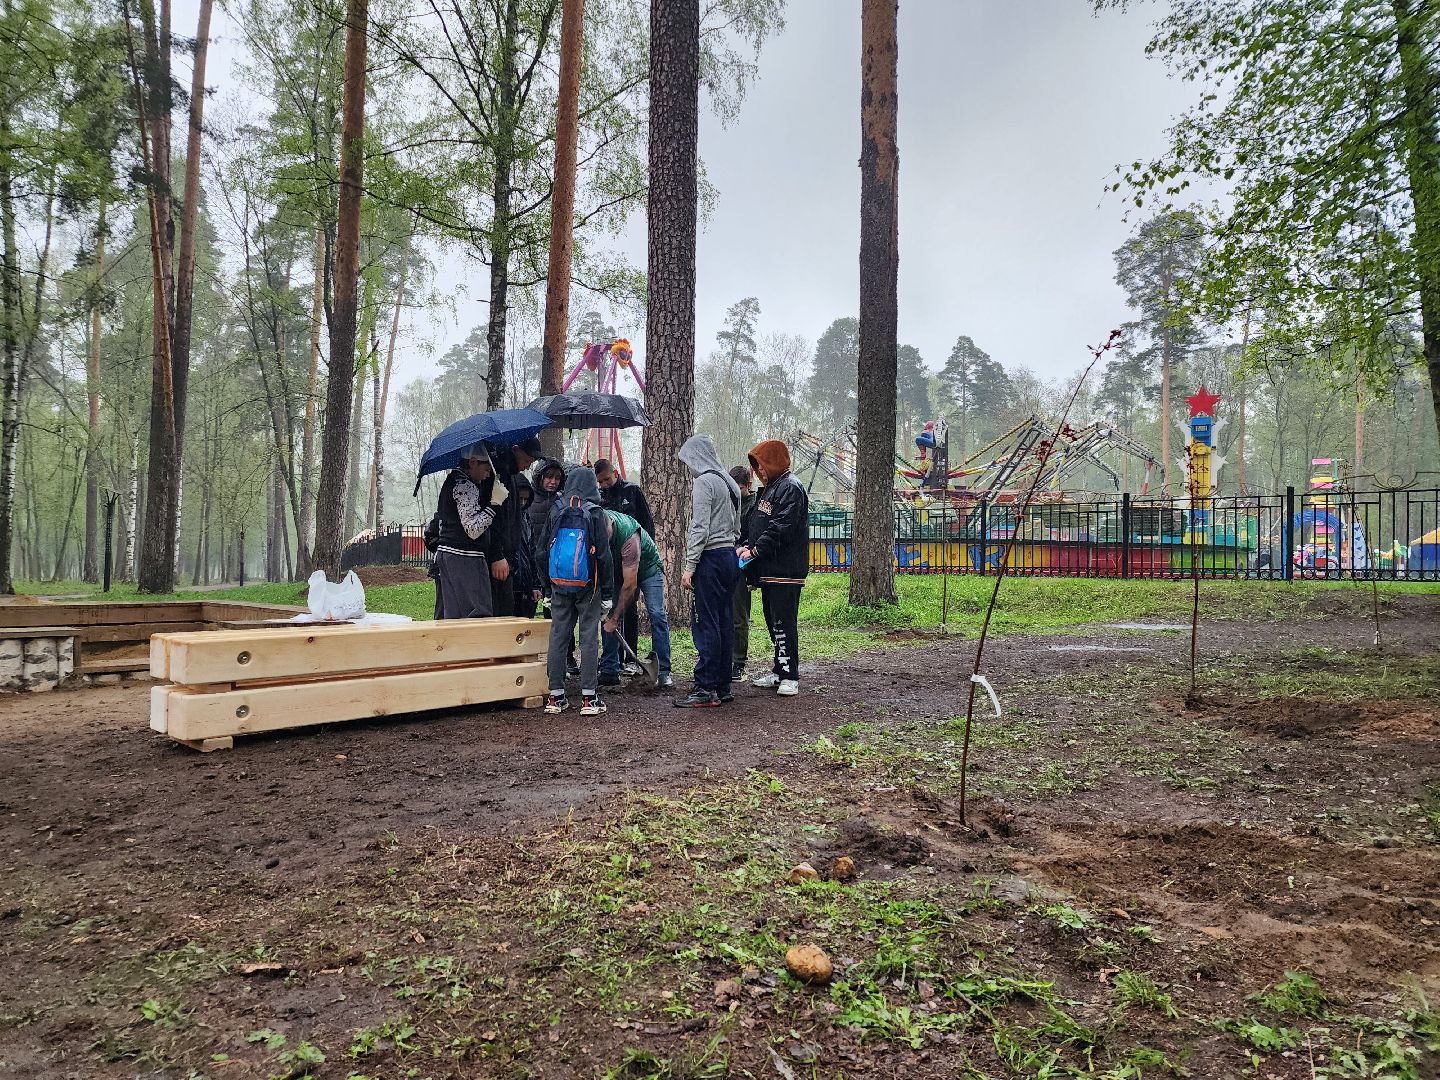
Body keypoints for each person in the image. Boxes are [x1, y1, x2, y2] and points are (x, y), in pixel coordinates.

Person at [539, 466, 613, 716]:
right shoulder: (595, 513)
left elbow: (541, 551)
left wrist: (547, 587)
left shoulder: (556, 509)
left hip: (559, 584)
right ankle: (589, 699)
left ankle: (555, 697)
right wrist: (607, 594)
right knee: (589, 636)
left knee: (559, 635)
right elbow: (604, 556)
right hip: (588, 586)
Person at [738, 438, 809, 696]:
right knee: (772, 621)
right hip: (768, 569)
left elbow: (782, 526)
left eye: (762, 465)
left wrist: (755, 550)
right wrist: (745, 544)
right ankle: (780, 670)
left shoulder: (791, 487)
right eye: (756, 467)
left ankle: (790, 675)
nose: (759, 471)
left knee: (783, 622)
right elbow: (755, 523)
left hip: (785, 570)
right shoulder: (769, 489)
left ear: (774, 461)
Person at [675, 434, 741, 708]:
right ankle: (723, 685)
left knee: (706, 623)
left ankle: (705, 687)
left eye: (688, 461)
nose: (688, 468)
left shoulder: (704, 482)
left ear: (696, 457)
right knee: (725, 620)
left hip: (710, 559)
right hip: (730, 557)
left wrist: (690, 566)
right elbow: (737, 527)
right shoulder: (730, 483)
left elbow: (699, 527)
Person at [428, 443, 509, 618]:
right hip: (465, 557)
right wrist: (494, 504)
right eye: (486, 469)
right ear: (473, 463)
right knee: (477, 613)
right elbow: (473, 529)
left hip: (448, 554)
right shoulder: (465, 485)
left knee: (453, 614)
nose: (488, 475)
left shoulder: (453, 481)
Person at [599, 508, 674, 690]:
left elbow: (630, 586)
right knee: (607, 614)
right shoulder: (595, 525)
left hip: (648, 569)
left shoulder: (628, 537)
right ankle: (610, 669)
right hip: (618, 569)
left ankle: (663, 671)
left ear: (612, 527)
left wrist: (616, 619)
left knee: (656, 614)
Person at [595, 458, 654, 675]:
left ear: (616, 473)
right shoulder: (600, 498)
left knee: (628, 607)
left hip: (633, 558)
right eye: (600, 482)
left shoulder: (632, 491)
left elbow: (646, 524)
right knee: (611, 607)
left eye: (607, 479)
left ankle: (631, 657)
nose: (604, 484)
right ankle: (614, 660)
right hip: (611, 562)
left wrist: (645, 556)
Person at [729, 465, 758, 681]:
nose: (735, 491)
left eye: (739, 487)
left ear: (748, 485)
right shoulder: (727, 501)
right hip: (724, 559)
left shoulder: (756, 505)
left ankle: (738, 662)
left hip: (743, 563)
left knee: (739, 615)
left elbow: (755, 534)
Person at [511, 473, 542, 619]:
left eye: (525, 499)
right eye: (519, 498)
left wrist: (535, 584)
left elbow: (532, 552)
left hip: (526, 582)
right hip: (511, 581)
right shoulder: (506, 518)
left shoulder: (526, 518)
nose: (522, 503)